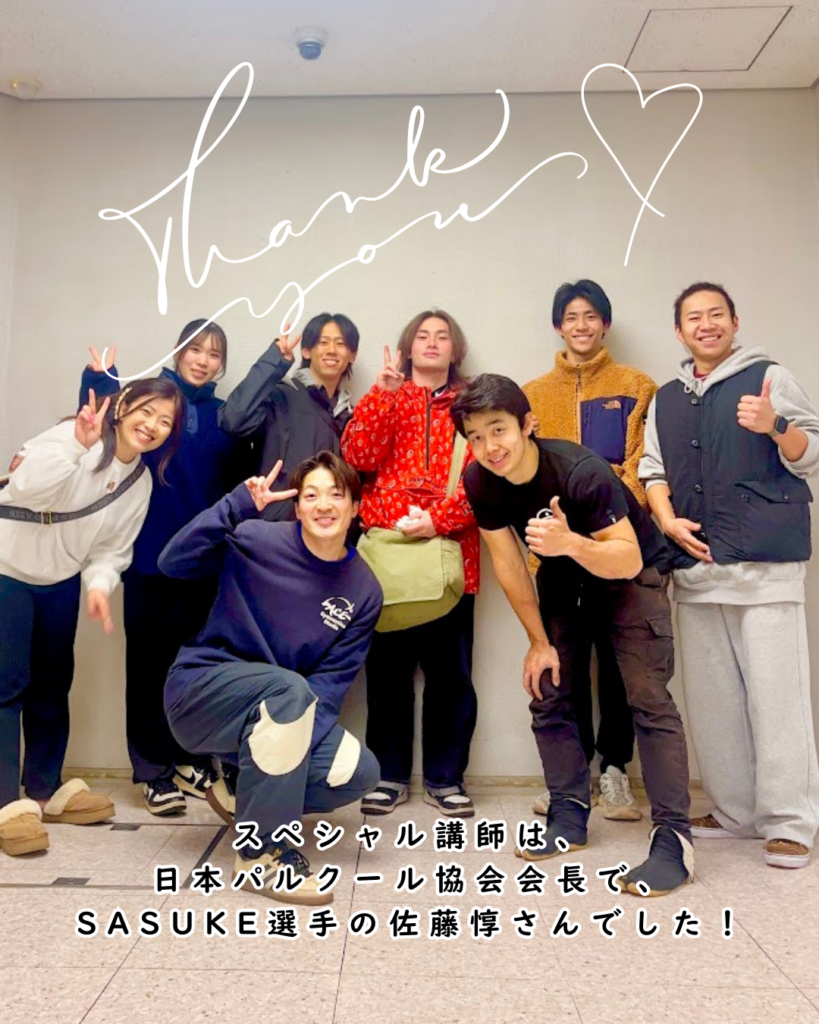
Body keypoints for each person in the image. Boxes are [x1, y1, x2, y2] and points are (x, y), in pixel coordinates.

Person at [452, 374, 693, 897]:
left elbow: (625, 557)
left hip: (631, 574)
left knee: (647, 699)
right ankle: (568, 814)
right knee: (549, 686)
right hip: (564, 574)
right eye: (475, 436)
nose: (490, 447)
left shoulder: (582, 472)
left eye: (498, 429)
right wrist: (538, 642)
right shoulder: (480, 480)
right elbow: (508, 562)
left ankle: (674, 839)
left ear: (527, 424)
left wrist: (570, 543)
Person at [640, 281, 819, 870]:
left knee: (778, 701)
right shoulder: (665, 397)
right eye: (694, 317)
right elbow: (652, 469)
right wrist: (666, 519)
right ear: (679, 331)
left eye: (716, 314)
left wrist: (775, 424)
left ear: (734, 322)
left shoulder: (770, 378)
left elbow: (812, 453)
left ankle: (790, 822)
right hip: (697, 572)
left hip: (766, 569)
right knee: (714, 705)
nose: (706, 324)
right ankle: (735, 811)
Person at [158, 452, 382, 905]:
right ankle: (260, 853)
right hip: (200, 692)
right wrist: (236, 505)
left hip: (280, 712)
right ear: (296, 507)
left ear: (355, 507)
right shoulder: (255, 538)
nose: (324, 505)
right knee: (289, 689)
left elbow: (329, 687)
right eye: (311, 495)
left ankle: (241, 790)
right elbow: (172, 562)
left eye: (336, 495)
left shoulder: (364, 590)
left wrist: (279, 760)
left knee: (358, 772)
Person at [0, 379, 184, 857]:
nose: (153, 426)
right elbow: (24, 487)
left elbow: (110, 550)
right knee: (7, 686)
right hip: (7, 567)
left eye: (166, 421)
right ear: (121, 407)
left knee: (52, 682)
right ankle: (6, 805)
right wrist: (76, 446)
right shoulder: (71, 435)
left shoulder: (140, 482)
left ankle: (44, 790)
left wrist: (99, 588)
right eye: (147, 411)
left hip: (60, 578)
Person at [79, 322, 252, 815]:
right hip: (149, 562)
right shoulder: (152, 402)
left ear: (221, 364)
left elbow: (236, 489)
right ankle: (153, 772)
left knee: (194, 672)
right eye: (195, 349)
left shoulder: (226, 417)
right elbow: (103, 424)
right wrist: (96, 378)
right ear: (178, 351)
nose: (203, 359)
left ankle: (189, 760)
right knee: (148, 670)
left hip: (205, 565)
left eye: (214, 354)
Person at [523, 280, 658, 821]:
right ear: (558, 326)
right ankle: (572, 775)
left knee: (622, 666)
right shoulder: (532, 395)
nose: (581, 326)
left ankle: (615, 770)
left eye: (590, 316)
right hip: (556, 555)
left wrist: (608, 522)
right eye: (571, 317)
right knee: (566, 664)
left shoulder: (636, 386)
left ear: (605, 323)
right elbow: (525, 468)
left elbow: (643, 464)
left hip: (616, 549)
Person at [342, 310, 479, 817]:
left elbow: (486, 477)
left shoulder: (472, 404)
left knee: (452, 677)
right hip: (388, 560)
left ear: (455, 349)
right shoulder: (386, 395)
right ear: (407, 347)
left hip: (452, 557)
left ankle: (446, 779)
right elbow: (358, 458)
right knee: (387, 676)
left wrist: (438, 519)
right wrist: (382, 394)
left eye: (443, 336)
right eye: (423, 336)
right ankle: (389, 775)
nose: (433, 343)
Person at [219, 313, 360, 520]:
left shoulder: (351, 416)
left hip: (326, 528)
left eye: (341, 344)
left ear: (352, 355)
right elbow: (233, 420)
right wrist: (274, 361)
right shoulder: (279, 396)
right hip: (275, 526)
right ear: (306, 351)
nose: (331, 350)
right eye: (323, 342)